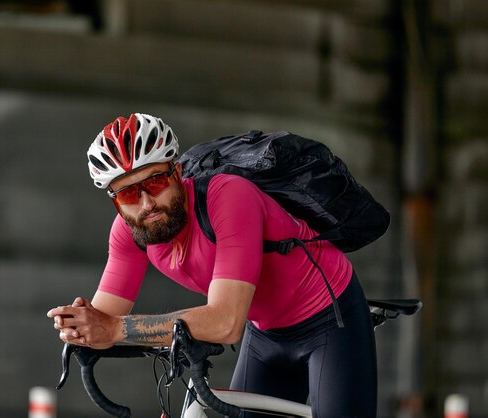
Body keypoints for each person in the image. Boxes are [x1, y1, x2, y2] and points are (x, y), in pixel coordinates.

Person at [47, 113, 378, 417]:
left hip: (329, 319)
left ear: (177, 172)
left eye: (156, 183)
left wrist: (115, 329)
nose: (147, 204)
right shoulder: (130, 233)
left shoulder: (228, 196)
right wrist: (82, 329)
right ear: (115, 202)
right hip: (265, 334)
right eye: (129, 195)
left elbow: (226, 322)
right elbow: (106, 322)